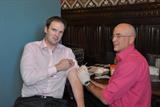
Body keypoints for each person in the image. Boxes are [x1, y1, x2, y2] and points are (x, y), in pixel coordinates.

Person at [14, 16, 85, 107]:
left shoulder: (67, 52)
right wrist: (57, 67)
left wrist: (81, 105)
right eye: (54, 30)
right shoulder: (31, 48)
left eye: (60, 32)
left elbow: (75, 80)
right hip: (30, 101)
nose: (57, 35)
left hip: (55, 102)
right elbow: (28, 79)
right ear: (46, 29)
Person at [78, 23, 151, 107]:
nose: (113, 39)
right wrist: (87, 79)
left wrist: (87, 83)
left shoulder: (131, 62)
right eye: (113, 36)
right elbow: (111, 88)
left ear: (131, 39)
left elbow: (105, 99)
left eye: (118, 36)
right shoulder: (128, 57)